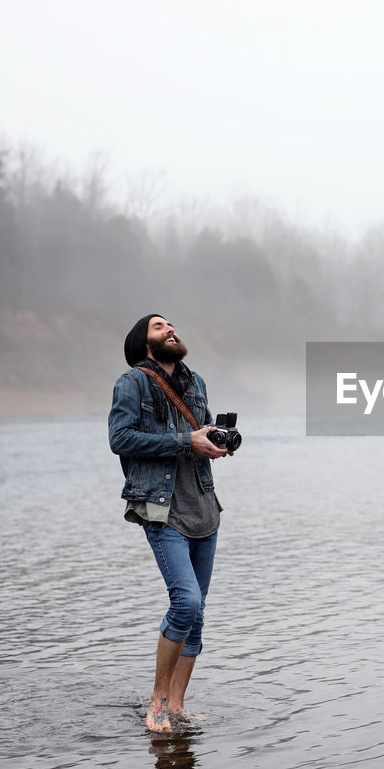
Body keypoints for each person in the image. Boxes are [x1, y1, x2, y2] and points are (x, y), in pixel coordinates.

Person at [108, 314, 230, 732]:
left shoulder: (195, 384)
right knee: (186, 603)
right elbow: (119, 439)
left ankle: (176, 706)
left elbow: (199, 438)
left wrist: (213, 444)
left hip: (204, 507)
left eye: (171, 325)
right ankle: (157, 704)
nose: (170, 329)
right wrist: (185, 441)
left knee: (198, 616)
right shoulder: (132, 383)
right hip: (162, 510)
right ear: (143, 344)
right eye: (159, 327)